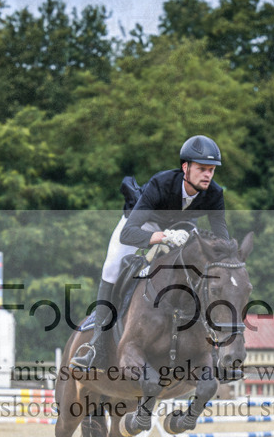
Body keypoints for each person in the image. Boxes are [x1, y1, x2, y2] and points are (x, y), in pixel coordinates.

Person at [70, 134, 231, 370]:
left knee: (200, 272)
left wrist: (227, 258)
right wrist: (160, 237)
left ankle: (211, 348)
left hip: (182, 229)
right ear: (185, 167)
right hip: (141, 226)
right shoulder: (161, 183)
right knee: (112, 268)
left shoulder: (214, 194)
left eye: (211, 170)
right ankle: (96, 346)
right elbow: (129, 233)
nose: (208, 175)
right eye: (202, 169)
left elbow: (221, 237)